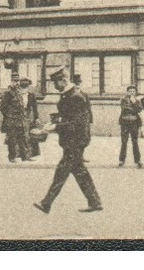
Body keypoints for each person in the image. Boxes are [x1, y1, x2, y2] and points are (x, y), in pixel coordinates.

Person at [34, 66, 101, 214]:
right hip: (71, 140)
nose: (55, 86)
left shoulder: (76, 96)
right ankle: (95, 202)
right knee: (79, 171)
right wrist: (53, 122)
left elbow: (76, 123)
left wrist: (55, 127)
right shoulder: (68, 94)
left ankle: (46, 203)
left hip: (76, 140)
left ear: (63, 80)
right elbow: (67, 116)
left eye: (56, 83)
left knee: (62, 171)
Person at [1, 76, 31, 163]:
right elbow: (3, 108)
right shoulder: (7, 93)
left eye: (17, 81)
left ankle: (25, 156)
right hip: (11, 120)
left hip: (19, 119)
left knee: (22, 138)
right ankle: (12, 157)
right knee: (12, 139)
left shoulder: (18, 92)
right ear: (11, 81)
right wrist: (9, 116)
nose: (16, 83)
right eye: (14, 81)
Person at [117, 84, 144, 166]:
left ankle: (138, 160)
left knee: (135, 141)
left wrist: (134, 103)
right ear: (127, 92)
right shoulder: (123, 100)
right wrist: (134, 109)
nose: (132, 93)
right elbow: (125, 108)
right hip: (125, 122)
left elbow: (140, 109)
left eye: (133, 91)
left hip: (134, 123)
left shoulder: (137, 100)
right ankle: (121, 160)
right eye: (130, 91)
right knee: (124, 142)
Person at [20, 77, 42, 160]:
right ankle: (19, 155)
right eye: (22, 88)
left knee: (29, 136)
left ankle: (28, 155)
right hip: (18, 116)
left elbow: (35, 108)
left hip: (28, 117)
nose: (24, 90)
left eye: (25, 88)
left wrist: (37, 118)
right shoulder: (16, 95)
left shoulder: (31, 95)